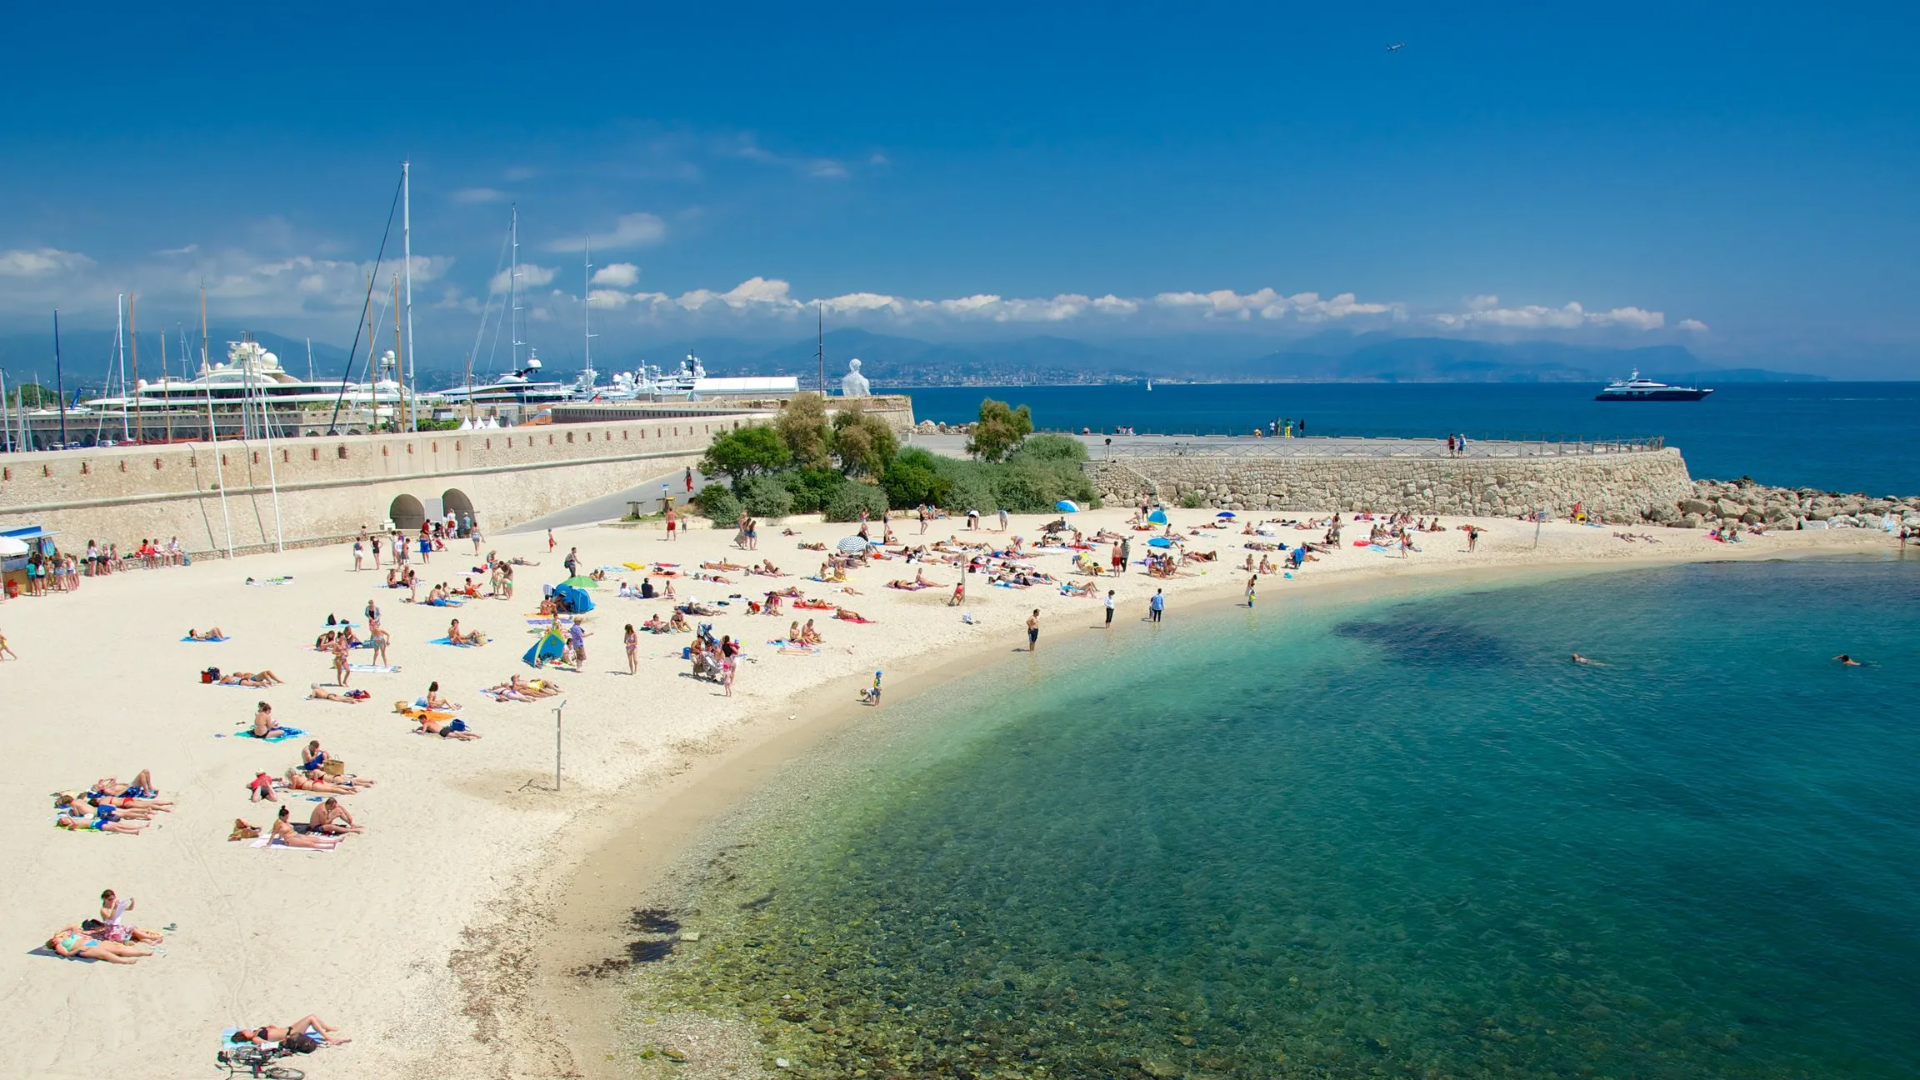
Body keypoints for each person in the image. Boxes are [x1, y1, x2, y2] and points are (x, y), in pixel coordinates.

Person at [47, 925, 152, 963]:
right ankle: (125, 961)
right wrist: (79, 950)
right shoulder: (59, 946)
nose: (55, 939)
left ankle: (142, 952)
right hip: (84, 949)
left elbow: (73, 926)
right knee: (105, 954)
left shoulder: (69, 937)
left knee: (116, 949)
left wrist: (60, 931)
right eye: (53, 940)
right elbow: (67, 954)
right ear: (53, 944)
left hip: (91, 942)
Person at [234, 1016, 350, 1048]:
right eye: (243, 1031)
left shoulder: (256, 1031)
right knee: (310, 1019)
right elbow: (268, 1045)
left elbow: (275, 1030)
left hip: (289, 1028)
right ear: (243, 1035)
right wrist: (284, 1040)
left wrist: (272, 1028)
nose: (245, 1029)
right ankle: (328, 1036)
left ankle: (327, 1028)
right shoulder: (255, 1039)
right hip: (290, 1034)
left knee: (312, 1016)